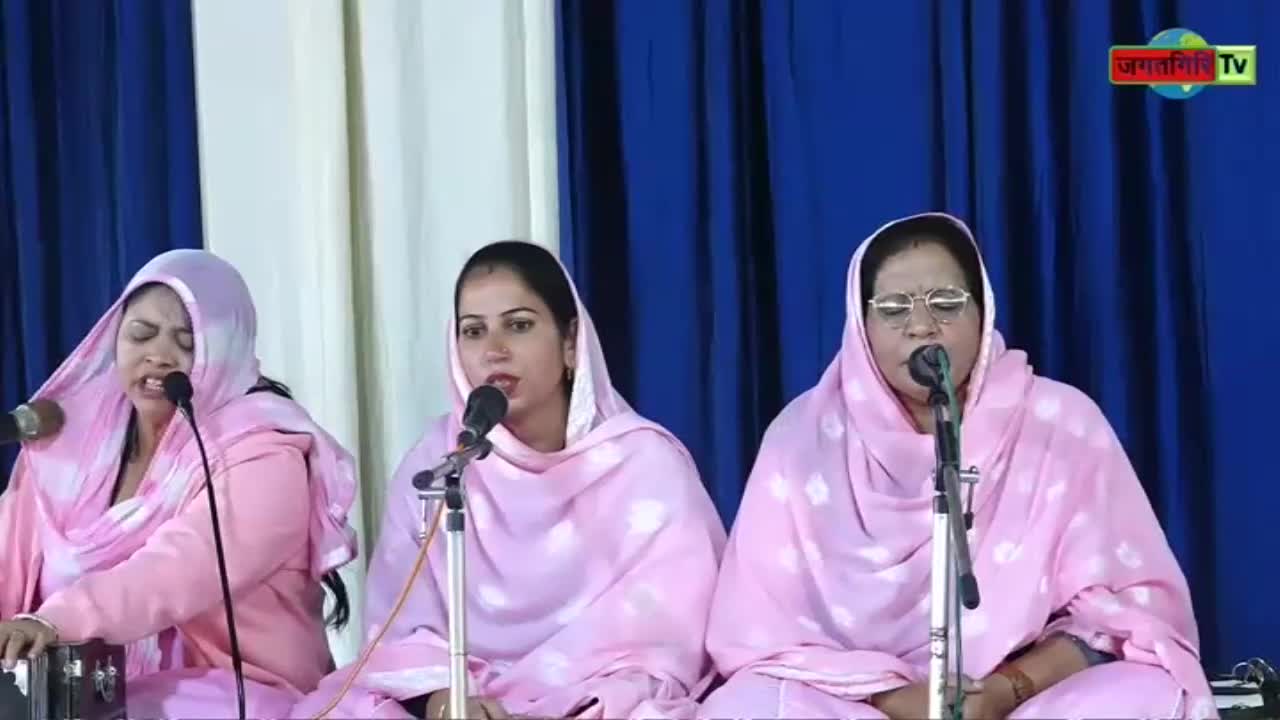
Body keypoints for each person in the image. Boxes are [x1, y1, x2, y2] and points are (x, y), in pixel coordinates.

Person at [698, 213, 1217, 719]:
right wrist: (892, 699)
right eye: (894, 308)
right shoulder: (802, 439)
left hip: (1023, 700)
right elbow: (760, 633)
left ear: (983, 312)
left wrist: (1006, 689)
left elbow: (1129, 609)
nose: (922, 325)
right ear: (861, 326)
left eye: (946, 302)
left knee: (1148, 695)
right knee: (744, 708)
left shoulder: (1058, 423)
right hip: (854, 703)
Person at [293, 240, 726, 720]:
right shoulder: (440, 464)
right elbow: (402, 633)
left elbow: (664, 648)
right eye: (473, 331)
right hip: (460, 700)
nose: (494, 351)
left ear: (569, 342)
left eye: (518, 326)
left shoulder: (643, 464)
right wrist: (445, 701)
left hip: (595, 702)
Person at [0, 249, 359, 718]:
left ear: (226, 350)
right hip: (75, 692)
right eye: (140, 334)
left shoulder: (268, 455)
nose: (159, 356)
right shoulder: (70, 444)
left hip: (239, 692)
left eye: (187, 343)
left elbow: (174, 571)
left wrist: (53, 620)